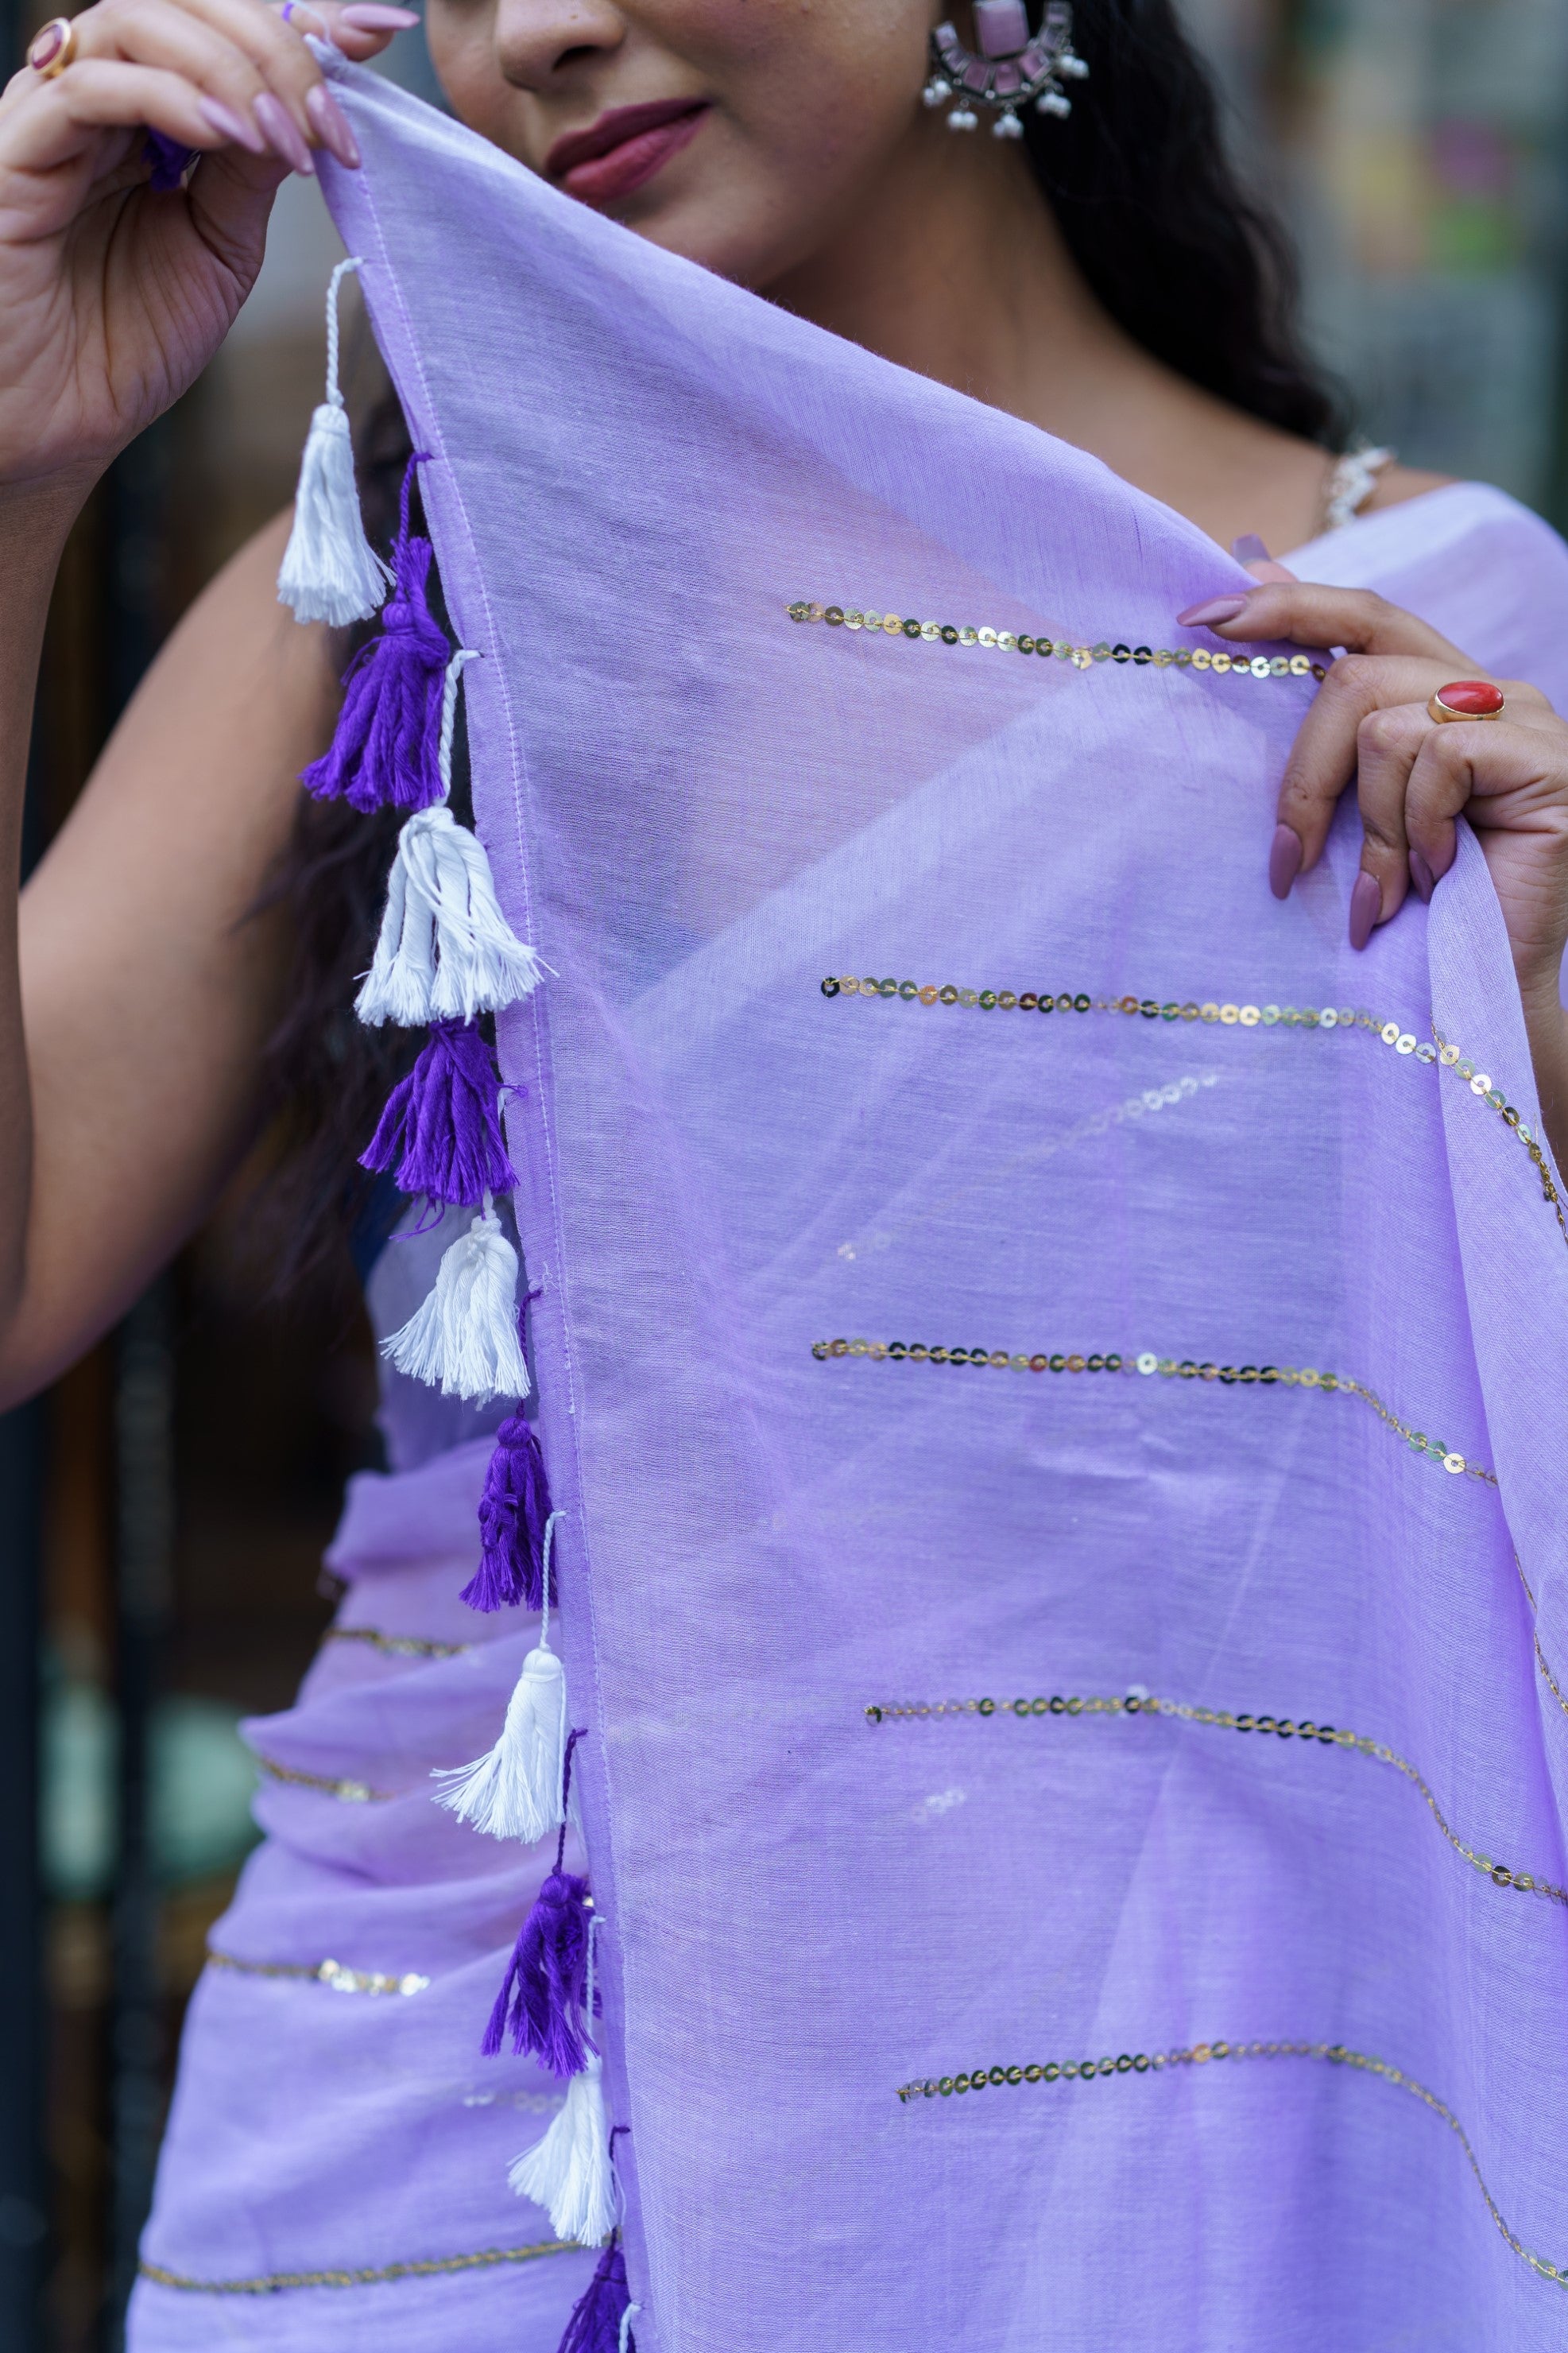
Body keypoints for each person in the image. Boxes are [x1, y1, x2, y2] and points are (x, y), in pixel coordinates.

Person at [2, 0, 1568, 2343]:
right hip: (424, 2159)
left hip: (1147, 2129)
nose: (534, 27)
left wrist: (1521, 1031)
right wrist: (18, 472)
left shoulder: (1452, 677)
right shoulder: (408, 589)